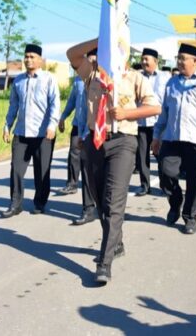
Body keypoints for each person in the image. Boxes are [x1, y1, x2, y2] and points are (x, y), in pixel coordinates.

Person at [66, 38, 161, 284]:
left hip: (123, 142)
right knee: (100, 201)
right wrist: (100, 36)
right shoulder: (92, 75)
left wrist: (127, 113)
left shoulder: (134, 77)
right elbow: (72, 54)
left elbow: (154, 108)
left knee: (114, 201)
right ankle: (116, 243)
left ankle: (104, 262)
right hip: (94, 142)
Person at [152, 44, 196, 234]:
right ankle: (175, 203)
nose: (180, 61)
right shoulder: (171, 83)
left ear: (195, 61)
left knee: (195, 180)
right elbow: (164, 113)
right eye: (178, 58)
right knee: (166, 172)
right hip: (172, 138)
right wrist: (156, 136)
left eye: (184, 58)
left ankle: (190, 217)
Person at [2, 44, 60, 217]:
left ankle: (40, 202)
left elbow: (54, 104)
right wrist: (7, 125)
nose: (28, 59)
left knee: (42, 171)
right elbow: (13, 105)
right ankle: (16, 203)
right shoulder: (18, 80)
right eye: (26, 56)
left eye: (32, 56)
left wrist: (52, 125)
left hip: (43, 133)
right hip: (21, 133)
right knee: (17, 170)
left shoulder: (49, 79)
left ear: (40, 60)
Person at [62, 49, 98, 226]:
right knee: (78, 160)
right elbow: (71, 101)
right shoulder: (77, 80)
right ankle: (88, 208)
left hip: (93, 129)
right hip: (78, 125)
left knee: (92, 170)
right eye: (88, 57)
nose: (90, 60)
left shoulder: (102, 80)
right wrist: (63, 117)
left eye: (93, 57)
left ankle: (103, 205)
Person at [135, 47, 170, 196]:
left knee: (161, 156)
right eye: (142, 59)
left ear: (155, 62)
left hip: (159, 124)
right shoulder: (136, 76)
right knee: (142, 156)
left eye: (146, 59)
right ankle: (145, 185)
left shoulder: (165, 77)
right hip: (142, 123)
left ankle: (164, 185)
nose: (143, 62)